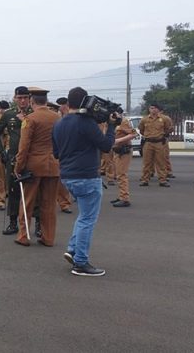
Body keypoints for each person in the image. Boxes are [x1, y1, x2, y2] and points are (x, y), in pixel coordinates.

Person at [52, 86, 116, 277]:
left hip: (68, 176)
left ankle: (72, 250)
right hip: (87, 176)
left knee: (83, 216)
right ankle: (80, 262)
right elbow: (106, 145)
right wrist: (112, 126)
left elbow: (56, 153)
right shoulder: (86, 123)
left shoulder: (59, 124)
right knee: (88, 219)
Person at [13, 88, 60, 247]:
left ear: (32, 101)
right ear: (46, 101)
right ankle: (48, 237)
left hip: (33, 166)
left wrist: (18, 167)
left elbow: (24, 146)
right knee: (49, 204)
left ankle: (23, 235)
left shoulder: (30, 119)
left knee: (27, 202)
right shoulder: (57, 118)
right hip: (53, 164)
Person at [0, 86, 33, 234]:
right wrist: (1, 152)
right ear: (15, 99)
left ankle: (39, 225)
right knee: (14, 191)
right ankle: (13, 223)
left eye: (25, 98)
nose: (22, 101)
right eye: (19, 98)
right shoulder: (9, 115)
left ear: (29, 99)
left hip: (32, 158)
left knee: (35, 192)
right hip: (14, 158)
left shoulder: (35, 113)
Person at [138, 103, 172, 187]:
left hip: (159, 143)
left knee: (161, 162)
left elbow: (169, 129)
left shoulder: (164, 119)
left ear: (158, 109)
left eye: (154, 108)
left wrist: (162, 135)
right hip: (148, 143)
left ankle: (162, 180)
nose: (153, 110)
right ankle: (145, 180)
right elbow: (141, 130)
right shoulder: (144, 119)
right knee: (147, 162)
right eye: (151, 108)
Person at [110, 117, 138, 207]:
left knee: (122, 175)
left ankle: (124, 198)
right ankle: (121, 195)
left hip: (124, 151)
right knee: (118, 175)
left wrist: (118, 140)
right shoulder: (110, 121)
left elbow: (134, 134)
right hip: (117, 150)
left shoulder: (123, 121)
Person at [54, 97, 73, 214]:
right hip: (52, 151)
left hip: (64, 153)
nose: (60, 107)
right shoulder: (56, 118)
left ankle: (65, 203)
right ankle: (54, 202)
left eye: (62, 105)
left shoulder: (70, 118)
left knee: (62, 180)